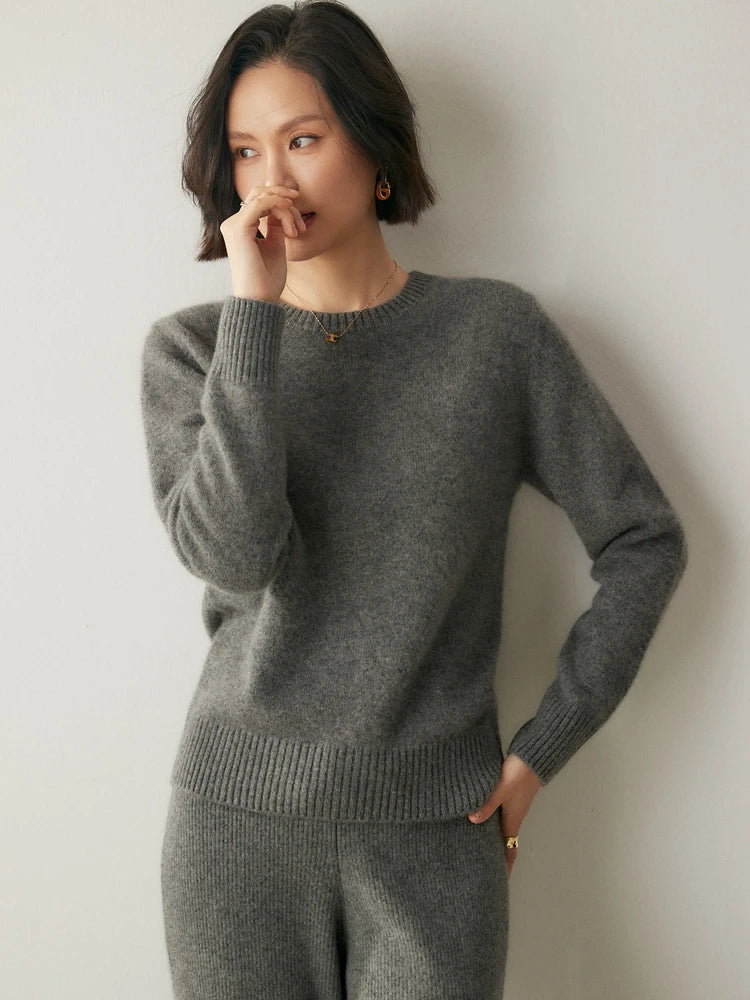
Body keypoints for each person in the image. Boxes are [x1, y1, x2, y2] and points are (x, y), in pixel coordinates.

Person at [139, 2, 688, 997]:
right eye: (246, 151)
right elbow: (234, 555)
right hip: (234, 837)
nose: (273, 181)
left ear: (375, 150)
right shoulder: (193, 352)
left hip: (438, 833)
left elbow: (645, 539)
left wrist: (540, 753)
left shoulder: (495, 338)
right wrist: (252, 315)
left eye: (304, 139)